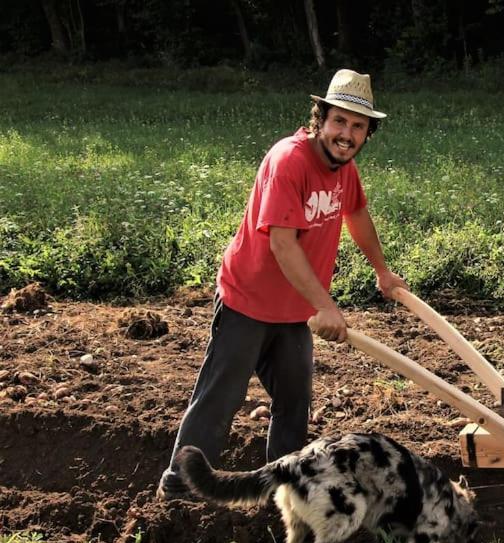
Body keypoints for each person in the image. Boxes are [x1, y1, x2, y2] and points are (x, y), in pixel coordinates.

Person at [157, 68, 407, 500]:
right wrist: (327, 305)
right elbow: (283, 245)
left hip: (296, 312)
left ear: (368, 133)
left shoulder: (344, 170)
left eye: (358, 126)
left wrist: (382, 271)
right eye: (339, 122)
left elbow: (357, 215)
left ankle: (288, 495)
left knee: (294, 404)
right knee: (221, 397)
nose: (347, 134)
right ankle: (179, 489)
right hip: (248, 302)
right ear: (320, 118)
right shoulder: (288, 160)